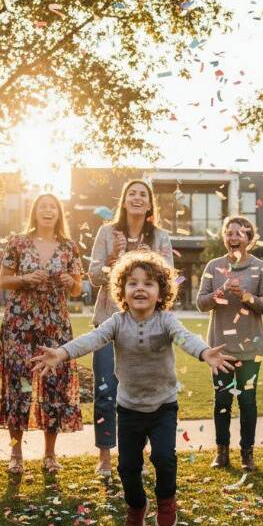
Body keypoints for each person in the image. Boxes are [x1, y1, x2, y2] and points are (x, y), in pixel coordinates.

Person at [30, 251, 235, 526]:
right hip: (128, 409)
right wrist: (62, 352)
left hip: (163, 406)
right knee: (128, 467)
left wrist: (203, 352)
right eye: (133, 283)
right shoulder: (117, 322)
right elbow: (92, 339)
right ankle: (136, 507)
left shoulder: (166, 321)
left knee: (164, 458)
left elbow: (185, 338)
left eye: (149, 283)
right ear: (122, 290)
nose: (140, 288)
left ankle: (166, 499)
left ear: (161, 292)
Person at [87, 179, 173, 476]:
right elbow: (94, 276)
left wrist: (155, 264)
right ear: (124, 201)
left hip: (148, 327)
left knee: (144, 390)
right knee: (106, 390)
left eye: (143, 195)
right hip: (110, 321)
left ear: (150, 204)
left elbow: (168, 281)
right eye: (132, 194)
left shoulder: (160, 237)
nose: (137, 198)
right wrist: (113, 263)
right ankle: (105, 457)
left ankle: (139, 453)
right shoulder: (106, 233)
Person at [0, 194, 84, 474]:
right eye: (43, 206)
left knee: (54, 386)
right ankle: (17, 454)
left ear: (59, 214)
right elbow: (3, 281)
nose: (48, 211)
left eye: (53, 207)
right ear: (35, 212)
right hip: (20, 325)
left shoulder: (69, 247)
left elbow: (79, 288)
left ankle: (49, 454)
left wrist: (71, 282)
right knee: (18, 385)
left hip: (55, 325)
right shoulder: (18, 243)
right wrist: (25, 279)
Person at [197, 216, 263, 471]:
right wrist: (218, 294)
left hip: (251, 349)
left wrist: (247, 296)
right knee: (222, 401)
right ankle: (221, 453)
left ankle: (247, 454)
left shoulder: (261, 267)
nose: (233, 238)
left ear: (249, 239)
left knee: (247, 402)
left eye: (239, 234)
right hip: (220, 349)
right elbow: (201, 303)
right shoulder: (213, 266)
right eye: (229, 233)